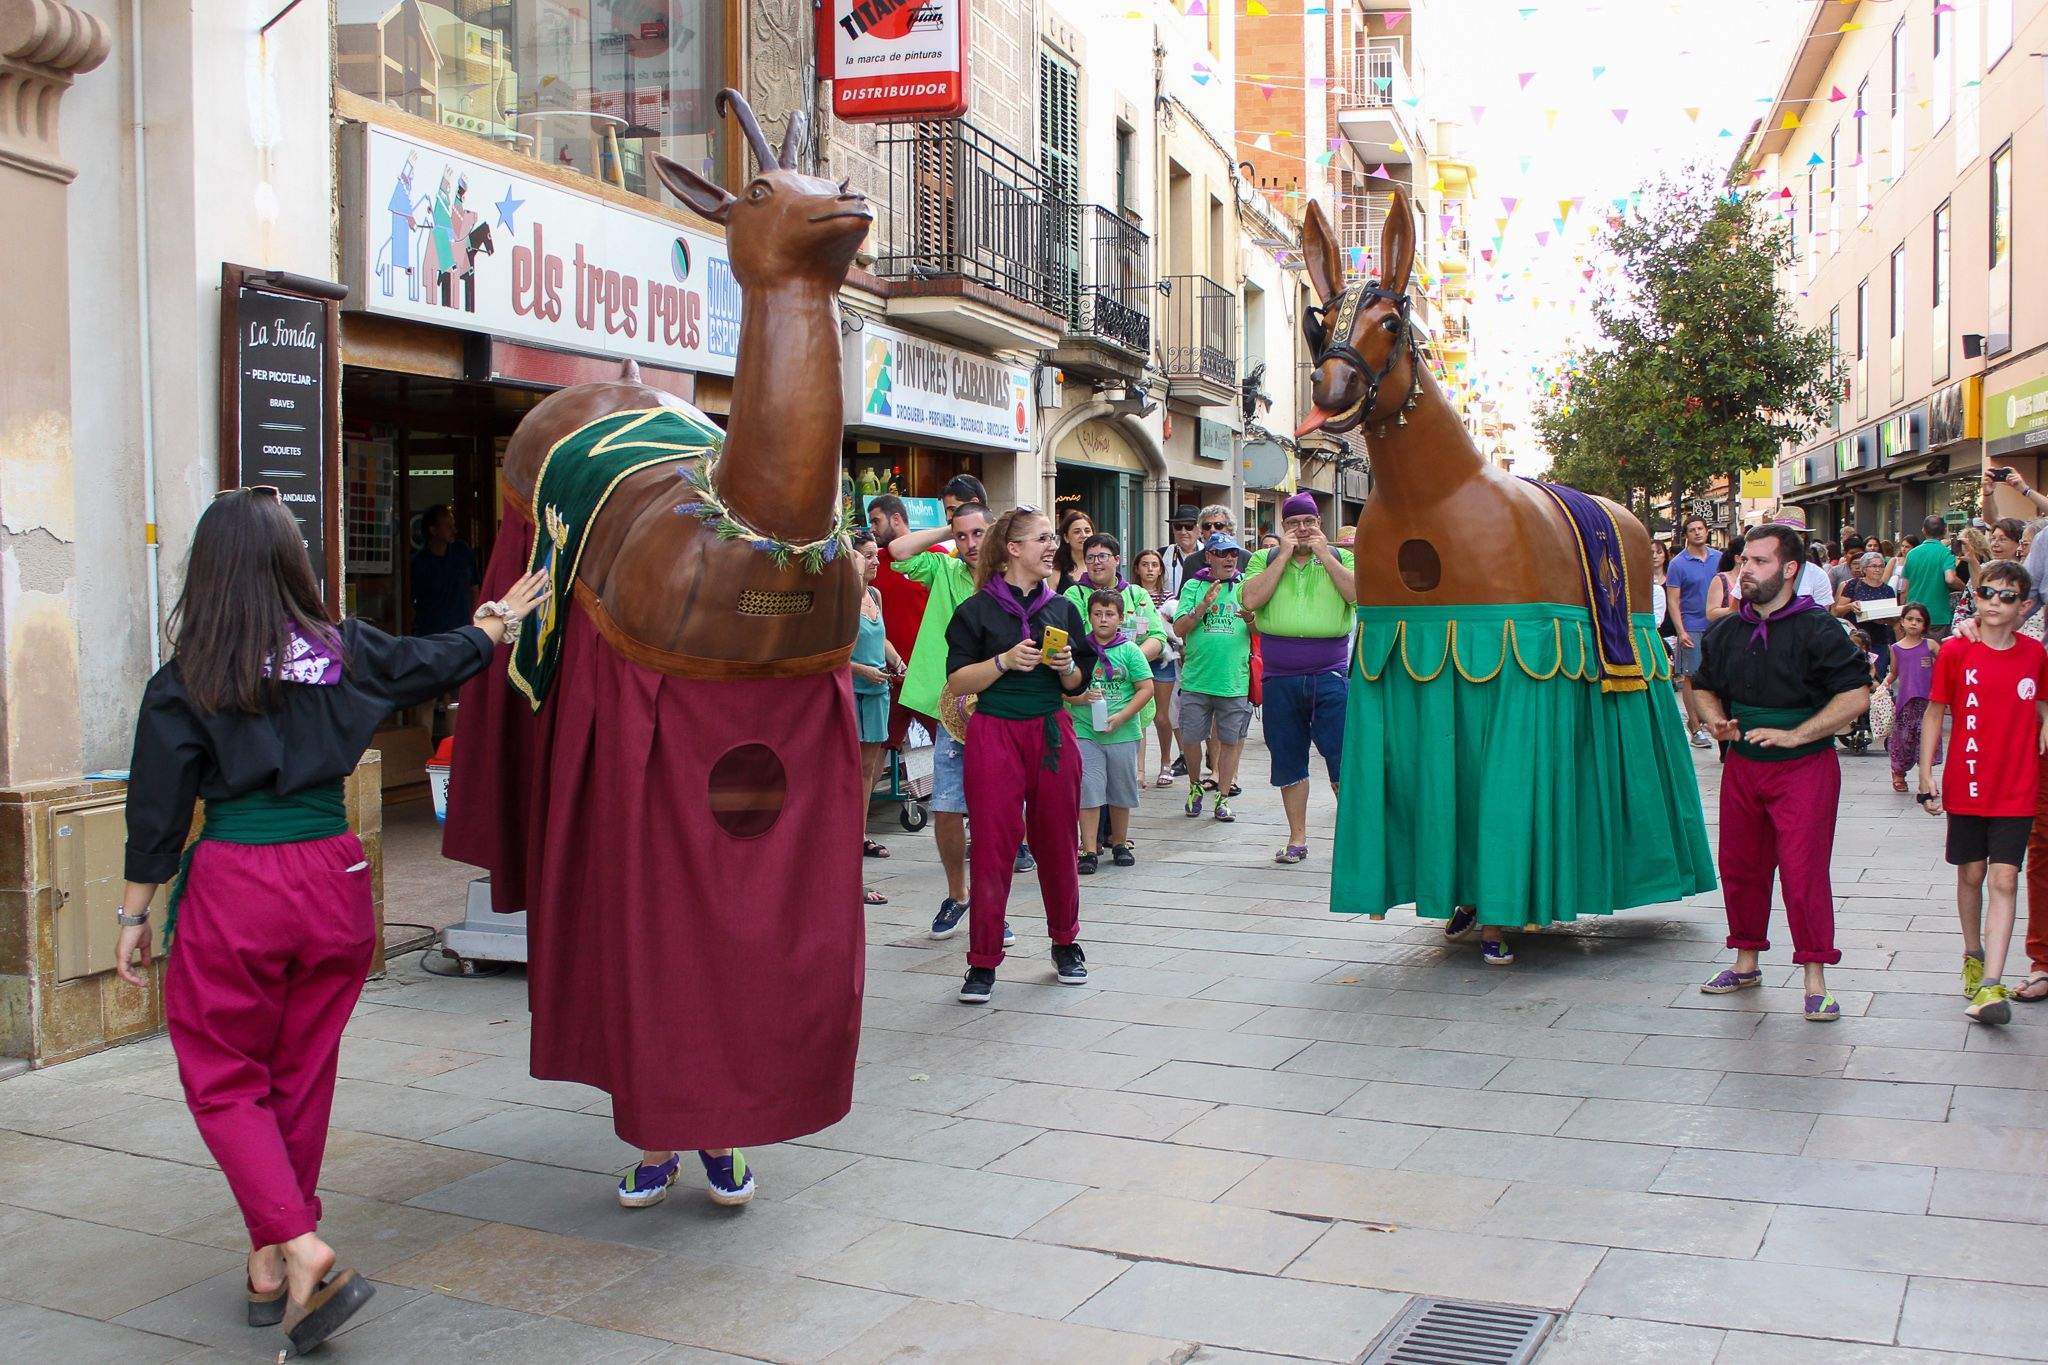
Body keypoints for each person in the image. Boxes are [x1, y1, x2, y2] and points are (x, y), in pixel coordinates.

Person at [116, 489, 548, 1353]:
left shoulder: (188, 678)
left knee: (223, 1075)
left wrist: (136, 910)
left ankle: (304, 1243)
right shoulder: (342, 650)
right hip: (336, 878)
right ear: (292, 564)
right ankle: (271, 1262)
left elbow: (156, 807)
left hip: (239, 884)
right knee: (300, 1075)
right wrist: (495, 626)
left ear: (205, 573)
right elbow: (433, 660)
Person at [1691, 524, 1870, 1023]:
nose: (1745, 569)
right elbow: (1701, 686)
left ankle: (1816, 978)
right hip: (1744, 765)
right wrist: (1715, 720)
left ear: (1790, 569)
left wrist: (1798, 734)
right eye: (1745, 560)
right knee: (1741, 867)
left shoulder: (1819, 628)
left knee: (1802, 871)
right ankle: (1745, 961)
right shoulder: (1727, 629)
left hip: (1805, 768)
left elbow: (1856, 695)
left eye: (1760, 561)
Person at [945, 506, 1098, 1004]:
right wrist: (1003, 661)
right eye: (1042, 538)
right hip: (994, 733)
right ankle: (983, 962)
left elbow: (1078, 684)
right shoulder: (976, 610)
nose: (1052, 546)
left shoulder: (1065, 609)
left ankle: (1066, 943)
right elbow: (957, 680)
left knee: (1058, 840)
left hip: (1051, 730)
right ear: (1013, 548)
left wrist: (1068, 664)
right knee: (992, 846)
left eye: (1053, 538)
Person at [1917, 559, 2048, 1025]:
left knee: (2005, 878)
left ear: (2025, 605)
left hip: (2017, 786)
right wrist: (1926, 773)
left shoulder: (2035, 654)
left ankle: (1993, 984)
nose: (1995, 602)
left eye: (2007, 596)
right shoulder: (1956, 651)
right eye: (1988, 592)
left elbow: (2042, 699)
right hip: (1967, 783)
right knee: (1971, 874)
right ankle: (1973, 951)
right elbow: (1936, 711)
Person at [889, 502, 992, 939]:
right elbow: (898, 550)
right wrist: (946, 530)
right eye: (963, 535)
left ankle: (992, 904)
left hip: (996, 710)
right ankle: (958, 894)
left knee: (992, 812)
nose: (970, 544)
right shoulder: (944, 570)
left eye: (978, 533)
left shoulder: (1008, 580)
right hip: (948, 710)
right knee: (947, 808)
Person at [1242, 491, 1357, 863]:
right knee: (1288, 757)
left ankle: (1354, 837)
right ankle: (1297, 838)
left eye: (1309, 522)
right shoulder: (1264, 558)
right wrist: (1283, 557)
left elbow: (1359, 593)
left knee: (1342, 755)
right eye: (1293, 524)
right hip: (1280, 677)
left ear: (1319, 525)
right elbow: (1251, 600)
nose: (1302, 529)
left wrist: (1326, 555)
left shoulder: (1344, 557)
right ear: (1283, 527)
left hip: (1331, 675)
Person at [1070, 589, 1155, 873]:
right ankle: (1089, 848)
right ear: (1089, 616)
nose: (1103, 620)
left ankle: (1119, 841)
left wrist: (1122, 716)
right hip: (1086, 730)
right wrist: (1079, 699)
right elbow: (1064, 688)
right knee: (1089, 788)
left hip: (1122, 732)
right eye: (1097, 614)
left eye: (1109, 615)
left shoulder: (1129, 650)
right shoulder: (1080, 649)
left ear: (1120, 618)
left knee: (1120, 788)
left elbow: (1146, 688)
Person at [1174, 530, 1255, 823]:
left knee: (1231, 742)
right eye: (1222, 553)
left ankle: (1222, 796)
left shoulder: (1246, 585)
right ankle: (1195, 785)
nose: (1229, 558)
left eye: (1233, 552)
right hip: (1197, 679)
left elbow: (1261, 632)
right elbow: (1178, 629)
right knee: (1192, 740)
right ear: (1209, 556)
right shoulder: (1194, 585)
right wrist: (1203, 606)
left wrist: (1251, 619)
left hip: (1233, 680)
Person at [850, 530, 905, 902]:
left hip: (879, 689)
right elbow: (833, 652)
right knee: (852, 771)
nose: (874, 562)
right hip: (854, 689)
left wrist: (896, 658)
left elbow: (880, 636)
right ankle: (847, 845)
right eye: (867, 556)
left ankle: (860, 834)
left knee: (870, 771)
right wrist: (861, 671)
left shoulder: (876, 594)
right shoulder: (844, 599)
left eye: (875, 556)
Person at [866, 494, 929, 750]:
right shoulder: (873, 563)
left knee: (950, 749)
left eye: (876, 521)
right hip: (887, 676)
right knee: (876, 748)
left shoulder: (935, 558)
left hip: (927, 677)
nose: (871, 528)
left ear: (896, 519)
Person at [1666, 514, 1719, 748]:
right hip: (1692, 626)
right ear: (1686, 535)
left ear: (1707, 531)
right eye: (1692, 529)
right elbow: (1673, 600)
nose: (1697, 532)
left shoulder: (1720, 558)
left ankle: (1716, 720)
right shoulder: (1678, 563)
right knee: (1691, 677)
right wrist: (1681, 630)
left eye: (1700, 528)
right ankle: (1695, 726)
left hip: (1718, 625)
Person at [1133, 547, 1181, 786]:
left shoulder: (1169, 597)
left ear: (1161, 569)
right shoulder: (1130, 594)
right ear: (1137, 568)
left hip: (1162, 659)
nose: (1150, 569)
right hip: (1135, 658)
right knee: (1137, 715)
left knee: (1162, 716)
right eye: (1145, 564)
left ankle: (1166, 762)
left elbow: (1176, 629)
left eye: (1154, 564)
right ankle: (1138, 768)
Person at [1886, 602, 1941, 793]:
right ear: (1902, 621)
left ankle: (1925, 778)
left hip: (1928, 704)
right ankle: (1898, 775)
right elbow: (1893, 673)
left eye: (1919, 620)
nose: (1913, 623)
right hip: (1905, 704)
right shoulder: (1896, 648)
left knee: (1927, 741)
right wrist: (1882, 687)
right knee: (1903, 741)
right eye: (1909, 619)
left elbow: (1945, 668)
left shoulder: (1931, 646)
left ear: (1925, 625)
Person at [409, 503, 480, 635]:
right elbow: (411, 603)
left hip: (463, 631)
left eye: (453, 525)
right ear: (433, 530)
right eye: (448, 526)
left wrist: (475, 622)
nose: (454, 530)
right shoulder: (419, 563)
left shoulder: (462, 551)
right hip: (432, 634)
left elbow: (474, 589)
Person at [1902, 515, 1966, 637]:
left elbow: (1904, 588)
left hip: (1913, 615)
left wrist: (1904, 612)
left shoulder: (1911, 554)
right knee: (1935, 654)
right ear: (1945, 530)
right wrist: (1965, 587)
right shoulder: (1946, 553)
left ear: (1923, 530)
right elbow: (1950, 579)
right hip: (1938, 616)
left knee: (1915, 652)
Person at [1833, 551, 1900, 666]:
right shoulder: (1853, 585)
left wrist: (1885, 619)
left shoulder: (1887, 590)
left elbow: (1894, 620)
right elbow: (1837, 611)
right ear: (1864, 569)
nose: (1878, 569)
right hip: (1856, 640)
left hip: (1879, 640)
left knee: (1878, 677)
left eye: (1881, 566)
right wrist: (1850, 606)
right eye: (1874, 566)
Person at [1181, 504, 1252, 583]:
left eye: (1218, 525)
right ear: (1202, 531)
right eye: (1207, 526)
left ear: (1229, 529)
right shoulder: (1192, 561)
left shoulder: (1245, 557)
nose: (1212, 530)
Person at [1158, 505, 1202, 597]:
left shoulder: (1209, 554)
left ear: (1199, 530)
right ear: (1173, 530)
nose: (1183, 532)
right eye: (1178, 527)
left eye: (1189, 526)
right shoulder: (1162, 554)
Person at [1054, 509, 1094, 593]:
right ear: (1066, 537)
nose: (1083, 535)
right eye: (1077, 532)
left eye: (1087, 531)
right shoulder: (1056, 569)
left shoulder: (1100, 565)